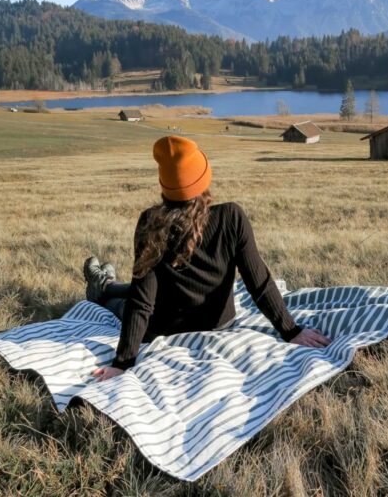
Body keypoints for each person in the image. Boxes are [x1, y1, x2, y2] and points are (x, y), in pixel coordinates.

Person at [84, 135, 332, 382]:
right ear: (204, 178)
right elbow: (259, 283)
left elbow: (142, 302)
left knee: (125, 304)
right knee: (139, 295)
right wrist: (291, 330)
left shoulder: (150, 223)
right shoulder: (232, 217)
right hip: (219, 323)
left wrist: (123, 362)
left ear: (165, 186)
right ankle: (104, 285)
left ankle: (103, 287)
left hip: (164, 327)